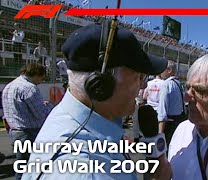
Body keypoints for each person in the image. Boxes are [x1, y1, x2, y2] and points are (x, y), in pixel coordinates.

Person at [22, 23, 169, 180]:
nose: (144, 85)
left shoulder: (66, 117)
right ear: (101, 85)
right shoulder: (87, 172)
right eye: (139, 76)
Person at [2, 63, 53, 180]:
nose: (41, 81)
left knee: (22, 167)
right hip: (29, 132)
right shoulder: (30, 88)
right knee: (32, 168)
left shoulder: (9, 86)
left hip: (15, 130)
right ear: (36, 74)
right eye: (42, 77)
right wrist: (49, 106)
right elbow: (40, 114)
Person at [157, 60, 186, 145]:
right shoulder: (178, 83)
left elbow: (162, 110)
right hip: (179, 120)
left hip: (169, 124)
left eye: (162, 69)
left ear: (169, 70)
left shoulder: (166, 84)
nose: (160, 72)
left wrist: (160, 133)